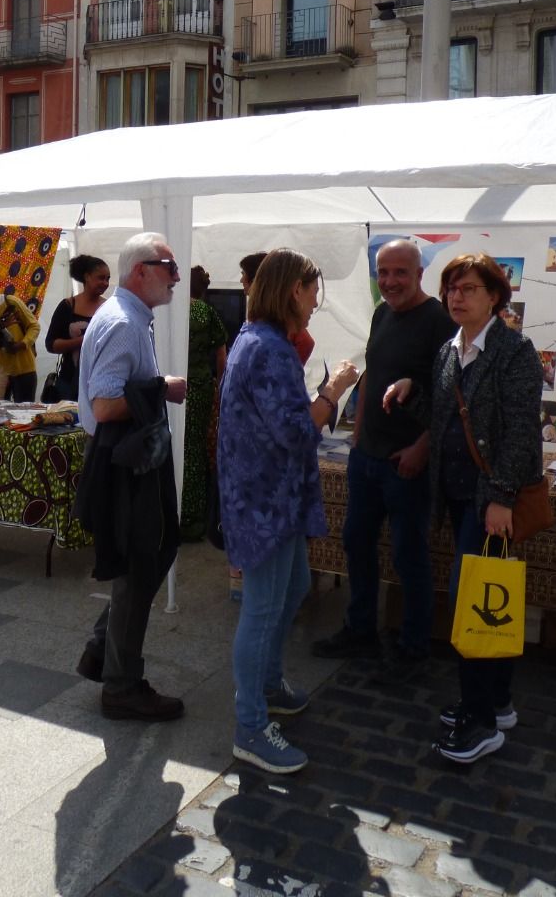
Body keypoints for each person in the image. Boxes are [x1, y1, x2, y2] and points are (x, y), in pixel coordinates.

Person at [385, 252, 543, 764]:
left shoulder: (515, 352)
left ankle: (482, 721)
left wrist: (499, 497)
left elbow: (521, 434)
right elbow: (445, 409)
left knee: (473, 603)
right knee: (482, 597)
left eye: (468, 288)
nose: (456, 296)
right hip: (456, 496)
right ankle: (494, 702)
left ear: (494, 296)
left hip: (488, 500)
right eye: (452, 288)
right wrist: (412, 391)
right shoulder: (450, 349)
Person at [219, 249, 358, 773]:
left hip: (266, 493)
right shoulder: (270, 348)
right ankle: (250, 725)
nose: (316, 299)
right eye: (312, 288)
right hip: (264, 499)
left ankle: (270, 685)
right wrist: (334, 389)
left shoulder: (257, 339)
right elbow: (297, 430)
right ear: (292, 291)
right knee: (262, 609)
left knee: (294, 588)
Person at [312, 239, 454, 682]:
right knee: (356, 543)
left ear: (419, 274)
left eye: (400, 273)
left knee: (410, 555)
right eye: (383, 273)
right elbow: (376, 371)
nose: (390, 282)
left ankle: (413, 647)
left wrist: (422, 449)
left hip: (406, 462)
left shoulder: (439, 321)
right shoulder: (381, 314)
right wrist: (357, 434)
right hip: (367, 457)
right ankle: (360, 631)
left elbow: (450, 397)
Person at [74, 232, 188, 721]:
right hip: (126, 463)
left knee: (151, 555)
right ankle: (121, 685)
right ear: (140, 270)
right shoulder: (122, 322)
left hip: (128, 457)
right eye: (169, 265)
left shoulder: (127, 315)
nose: (177, 276)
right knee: (139, 565)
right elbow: (103, 405)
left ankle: (105, 649)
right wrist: (161, 388)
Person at [181, 265, 227, 541]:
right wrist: (220, 389)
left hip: (167, 387)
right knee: (196, 451)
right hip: (198, 388)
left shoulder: (169, 311)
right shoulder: (206, 312)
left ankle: (172, 511)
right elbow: (221, 355)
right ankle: (193, 519)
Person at [45, 255, 110, 402]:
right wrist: (83, 340)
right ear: (87, 277)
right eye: (101, 278)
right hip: (68, 383)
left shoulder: (109, 308)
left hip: (101, 383)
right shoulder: (68, 306)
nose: (105, 283)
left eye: (108, 278)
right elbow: (51, 345)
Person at [0, 267, 39, 401]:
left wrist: (22, 344)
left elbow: (34, 326)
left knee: (24, 414)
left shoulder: (11, 302)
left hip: (24, 368)